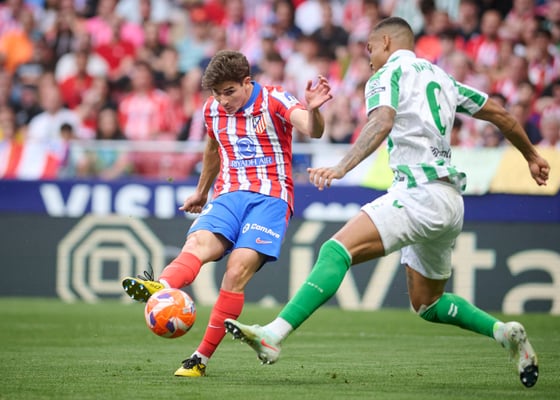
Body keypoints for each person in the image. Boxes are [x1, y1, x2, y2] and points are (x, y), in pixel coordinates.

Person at [224, 17, 550, 389]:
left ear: (386, 42)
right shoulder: (443, 79)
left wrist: (342, 167)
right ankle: (503, 332)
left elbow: (381, 122)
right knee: (428, 303)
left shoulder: (387, 75)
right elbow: (502, 115)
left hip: (417, 192)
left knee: (335, 251)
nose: (368, 59)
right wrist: (532, 156)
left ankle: (274, 335)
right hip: (449, 201)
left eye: (369, 49)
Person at [121, 49, 333, 377]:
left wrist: (315, 110)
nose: (223, 100)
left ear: (247, 82)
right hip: (228, 195)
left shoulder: (275, 99)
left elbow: (311, 128)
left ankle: (199, 359)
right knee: (196, 245)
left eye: (229, 92)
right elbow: (213, 147)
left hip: (270, 198)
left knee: (235, 271)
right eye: (217, 93)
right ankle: (161, 286)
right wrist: (201, 191)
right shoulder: (212, 110)